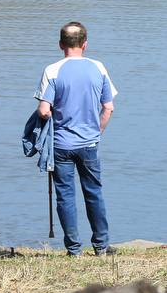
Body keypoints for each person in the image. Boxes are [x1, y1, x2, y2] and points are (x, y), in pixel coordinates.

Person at [34, 22, 118, 256]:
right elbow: (108, 107)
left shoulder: (52, 70)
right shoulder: (99, 68)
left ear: (61, 45)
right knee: (94, 193)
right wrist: (96, 132)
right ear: (85, 44)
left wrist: (50, 114)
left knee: (66, 196)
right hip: (89, 143)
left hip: (61, 145)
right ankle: (101, 247)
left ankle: (74, 250)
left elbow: (43, 110)